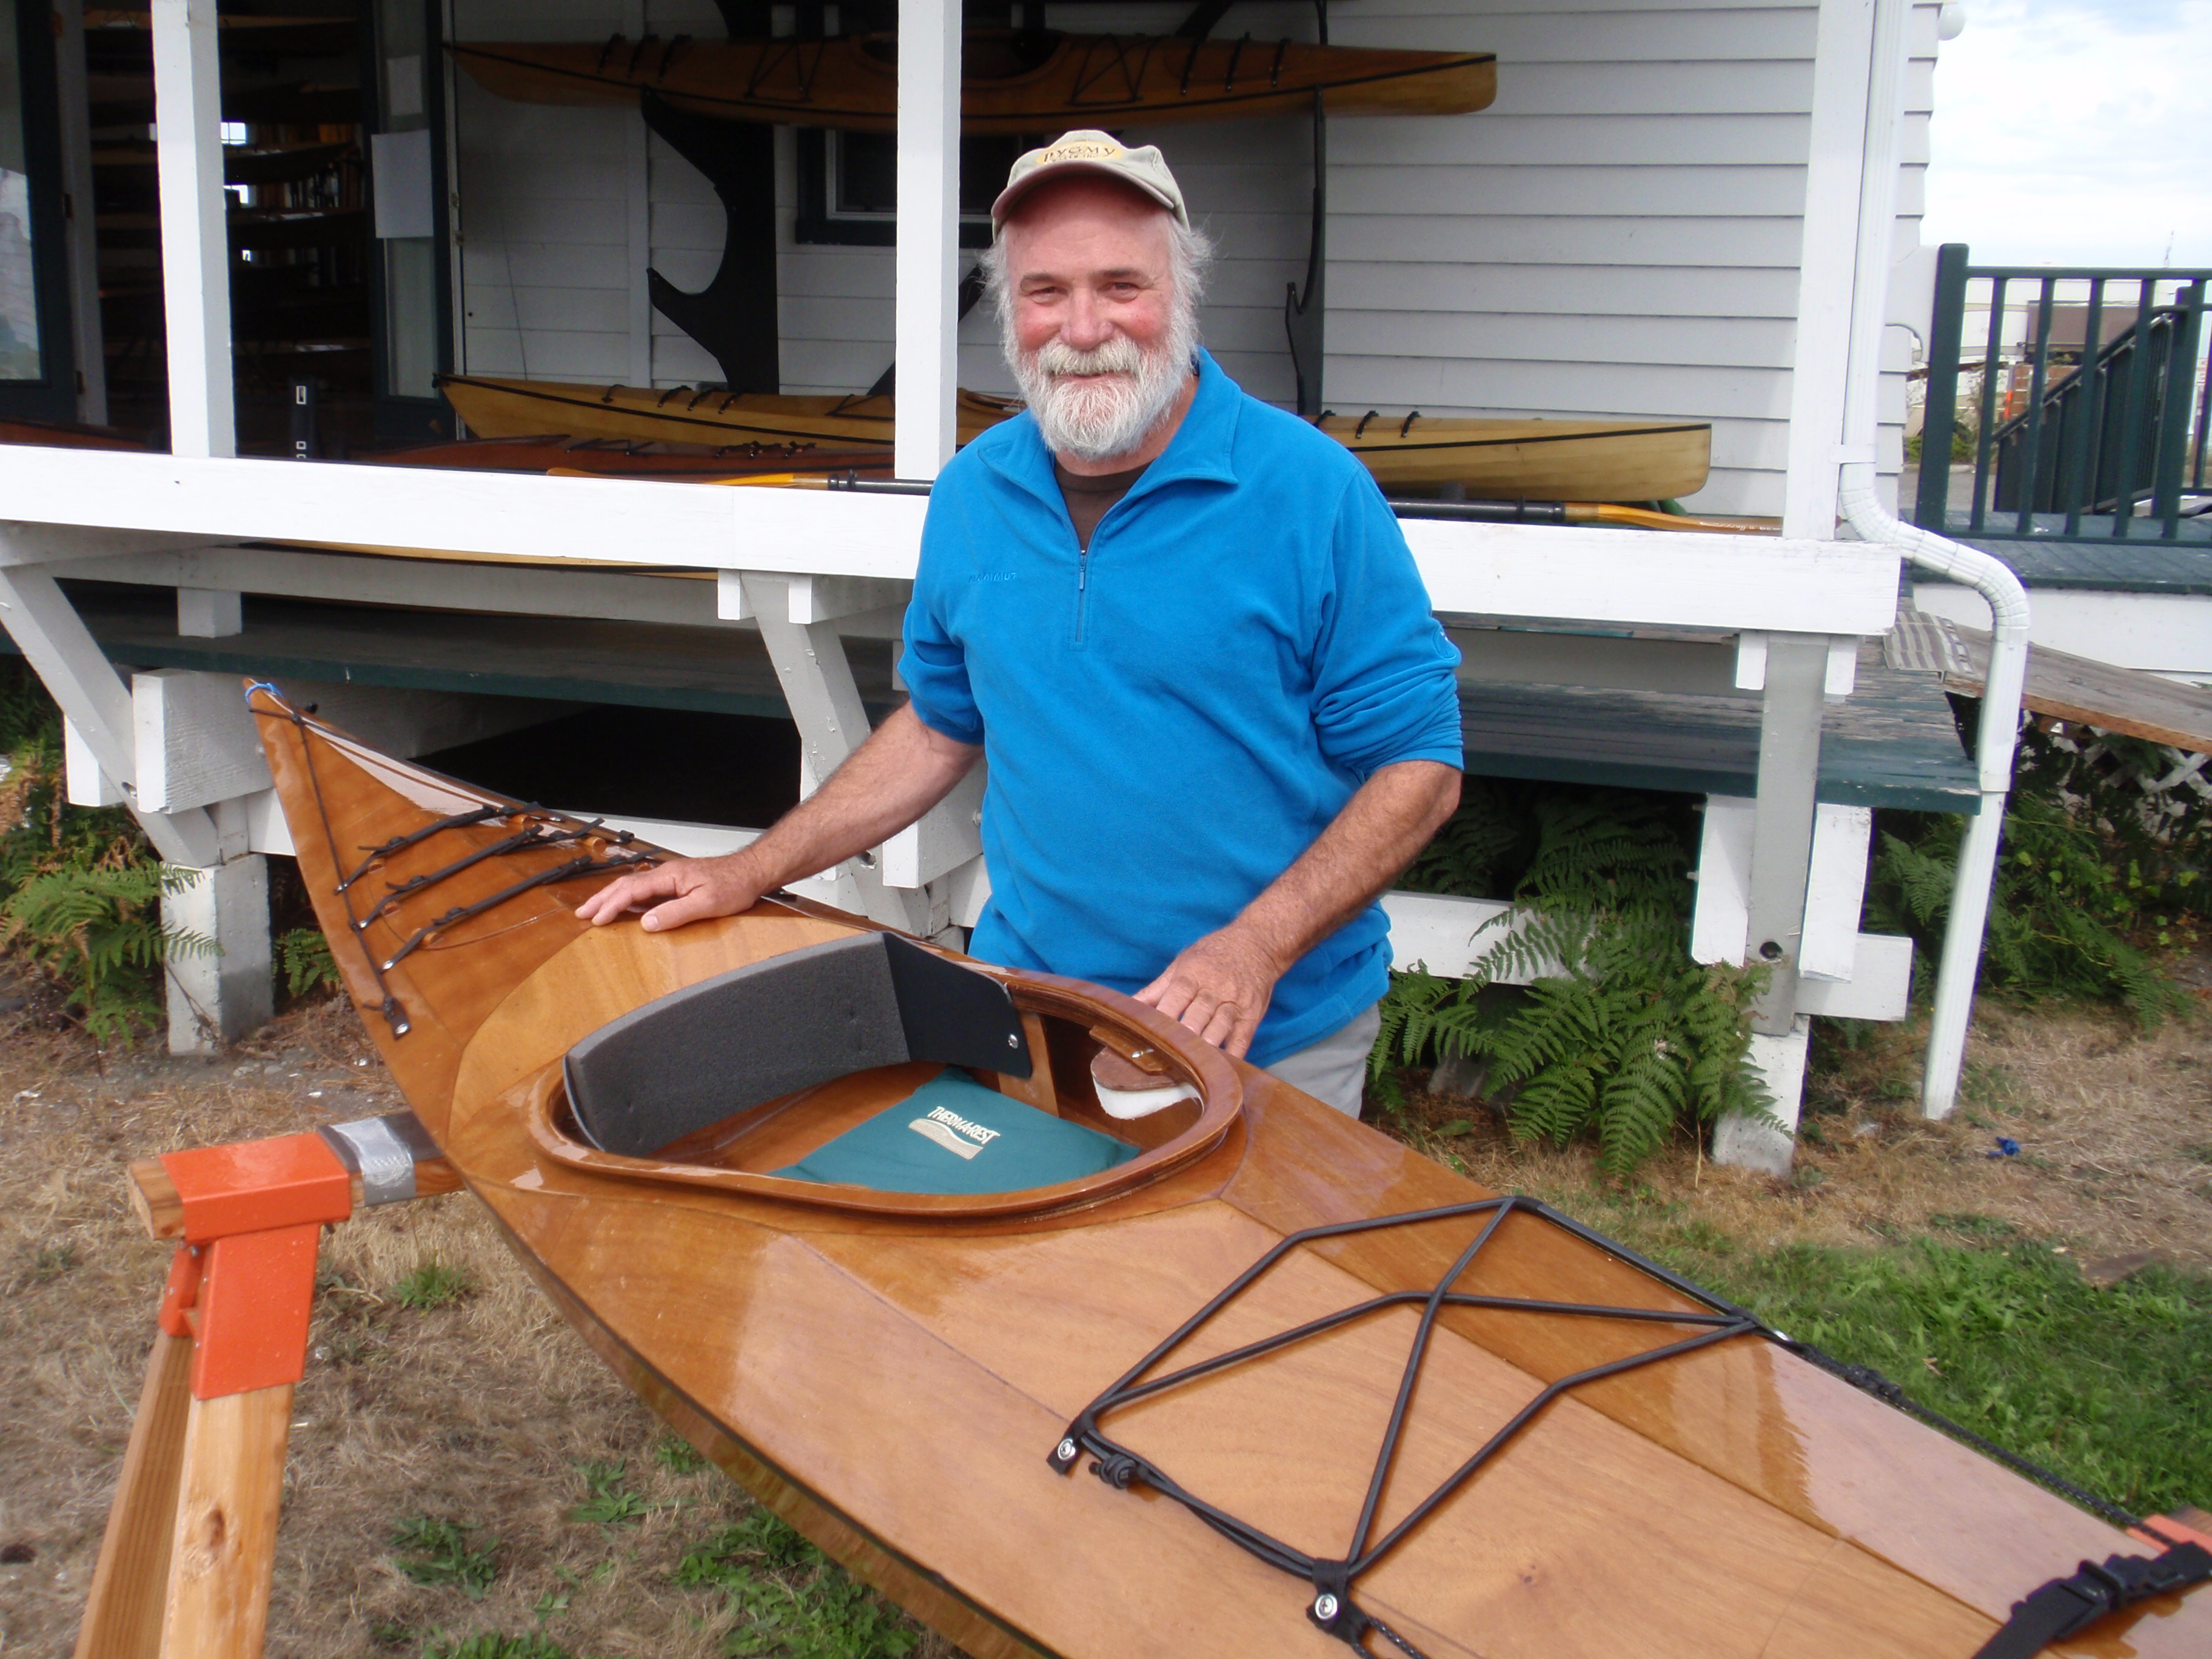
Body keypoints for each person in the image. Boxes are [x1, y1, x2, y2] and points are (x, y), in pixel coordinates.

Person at [578, 130, 1463, 1117]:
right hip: (1032, 1007)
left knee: (1243, 1278)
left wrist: (1254, 948)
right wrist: (753, 868)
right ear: (1010, 312)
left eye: (1121, 284)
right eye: (1046, 292)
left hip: (1264, 1027)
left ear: (1181, 293)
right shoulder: (974, 493)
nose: (1083, 328)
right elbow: (938, 724)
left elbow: (1419, 769)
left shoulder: (1311, 491)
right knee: (1016, 1272)